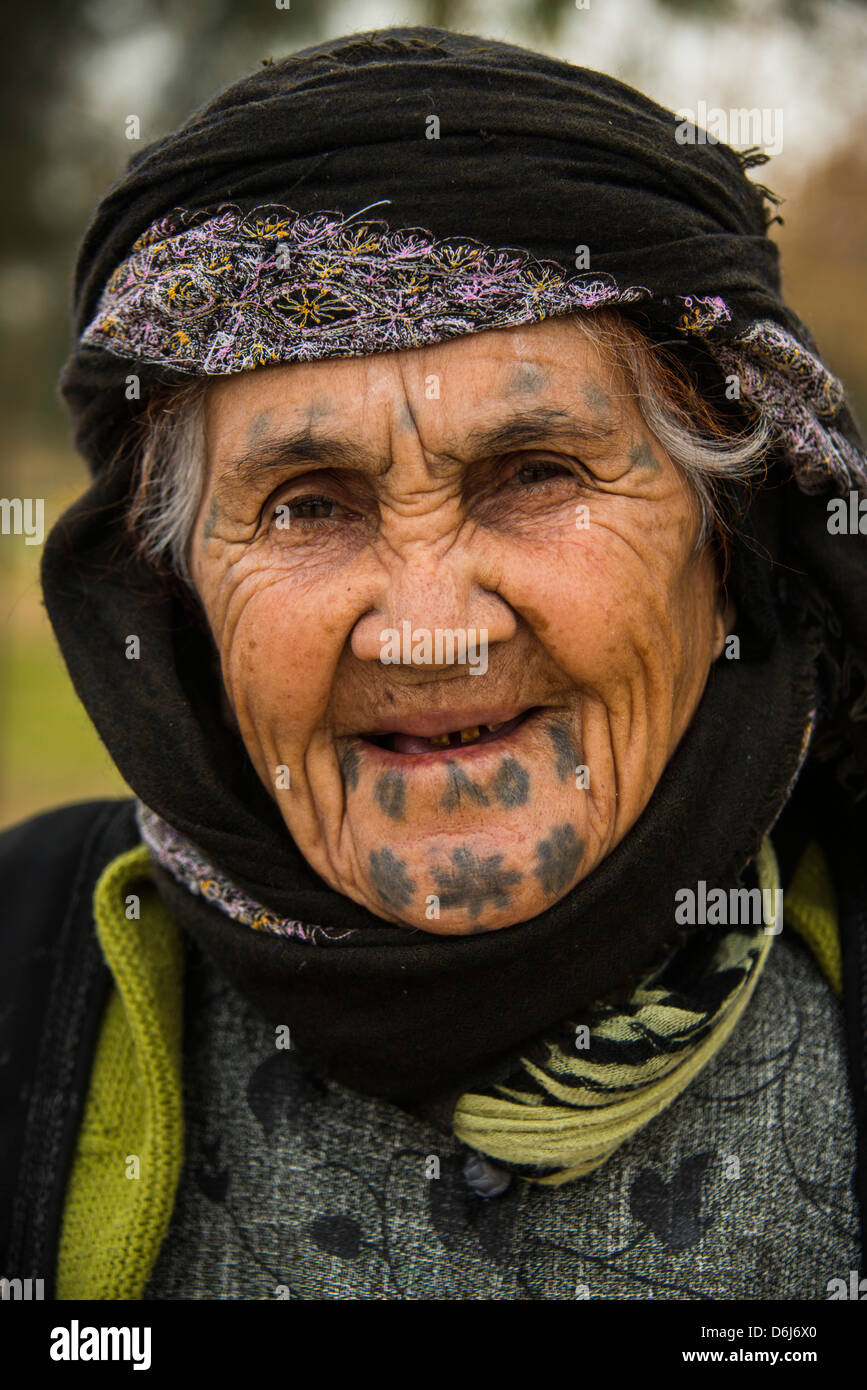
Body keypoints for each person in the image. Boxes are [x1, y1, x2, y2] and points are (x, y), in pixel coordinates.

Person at [1, 26, 865, 1301]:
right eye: (308, 504)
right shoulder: (22, 965)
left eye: (536, 475)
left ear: (722, 536)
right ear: (179, 582)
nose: (427, 625)